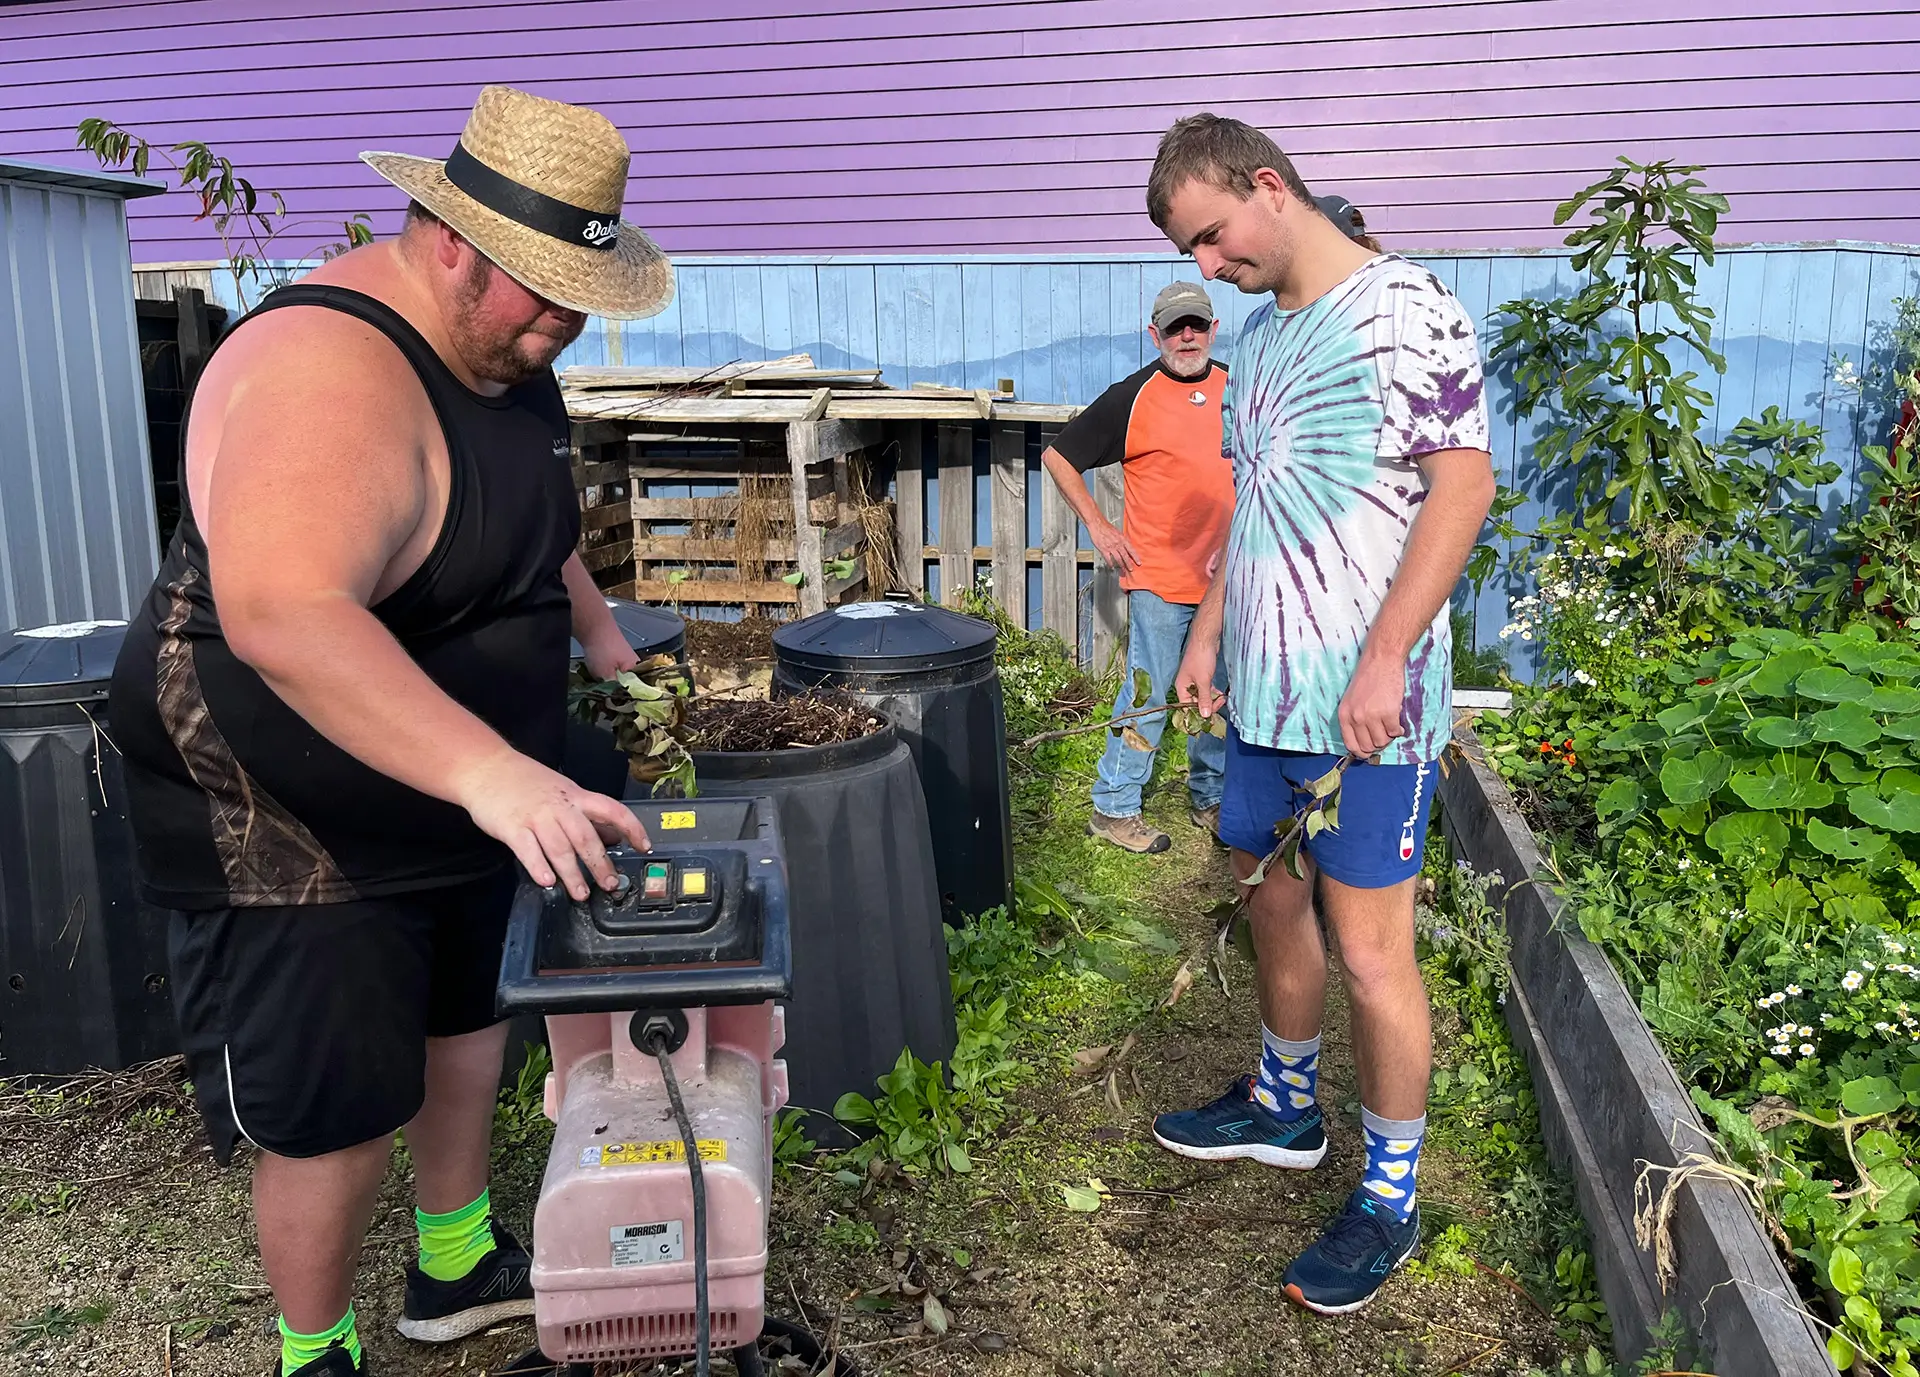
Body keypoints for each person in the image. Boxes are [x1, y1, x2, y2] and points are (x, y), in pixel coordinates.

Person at [108, 86, 675, 1377]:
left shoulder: (502, 350)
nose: (561, 327)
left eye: (578, 293)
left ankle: (456, 1260)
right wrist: (495, 774)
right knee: (339, 1105)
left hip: (467, 786)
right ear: (453, 240)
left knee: (467, 1017)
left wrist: (588, 628)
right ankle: (318, 1352)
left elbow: (525, 513)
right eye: (539, 293)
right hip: (291, 808)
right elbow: (285, 612)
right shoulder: (326, 369)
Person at [1141, 114, 1495, 1316]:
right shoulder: (1257, 335)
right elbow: (1258, 502)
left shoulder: (1409, 308)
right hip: (1265, 701)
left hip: (1369, 716)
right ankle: (1283, 1109)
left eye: (1211, 234)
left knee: (1371, 955)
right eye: (1191, 249)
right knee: (1267, 899)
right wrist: (1203, 632)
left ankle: (1389, 1200)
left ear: (1269, 188)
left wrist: (1386, 655)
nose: (1206, 266)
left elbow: (1466, 482)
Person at [1040, 281, 1235, 854]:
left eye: (1196, 324)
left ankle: (1210, 794)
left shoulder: (1236, 386)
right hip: (1160, 580)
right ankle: (1114, 805)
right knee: (1150, 694)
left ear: (1212, 328)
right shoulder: (1133, 396)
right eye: (1175, 327)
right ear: (1155, 335)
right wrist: (1100, 528)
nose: (1187, 336)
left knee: (1219, 691)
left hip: (1228, 582)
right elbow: (1058, 455)